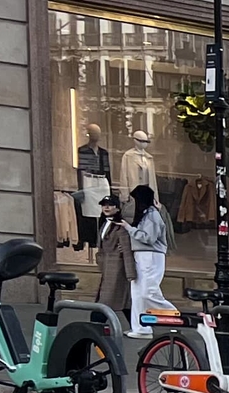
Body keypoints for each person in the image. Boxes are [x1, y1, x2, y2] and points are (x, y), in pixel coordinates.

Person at [124, 184, 178, 325]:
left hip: (151, 255)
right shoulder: (146, 214)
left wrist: (129, 228)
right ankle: (140, 328)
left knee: (148, 291)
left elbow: (149, 238)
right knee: (137, 294)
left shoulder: (152, 214)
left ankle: (174, 314)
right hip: (143, 254)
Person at [92, 193, 136, 323]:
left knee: (109, 299)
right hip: (107, 265)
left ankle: (97, 323)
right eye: (104, 205)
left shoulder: (120, 226)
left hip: (117, 266)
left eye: (110, 205)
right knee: (121, 300)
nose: (106, 208)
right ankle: (137, 324)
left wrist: (130, 273)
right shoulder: (103, 222)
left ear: (117, 208)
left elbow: (126, 250)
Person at [73, 123, 112, 250]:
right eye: (94, 132)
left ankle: (102, 238)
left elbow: (107, 171)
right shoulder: (82, 150)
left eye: (98, 133)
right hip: (89, 180)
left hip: (102, 181)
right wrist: (81, 189)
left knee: (104, 211)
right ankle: (90, 241)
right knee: (88, 212)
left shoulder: (103, 153)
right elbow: (80, 170)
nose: (97, 136)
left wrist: (110, 189)